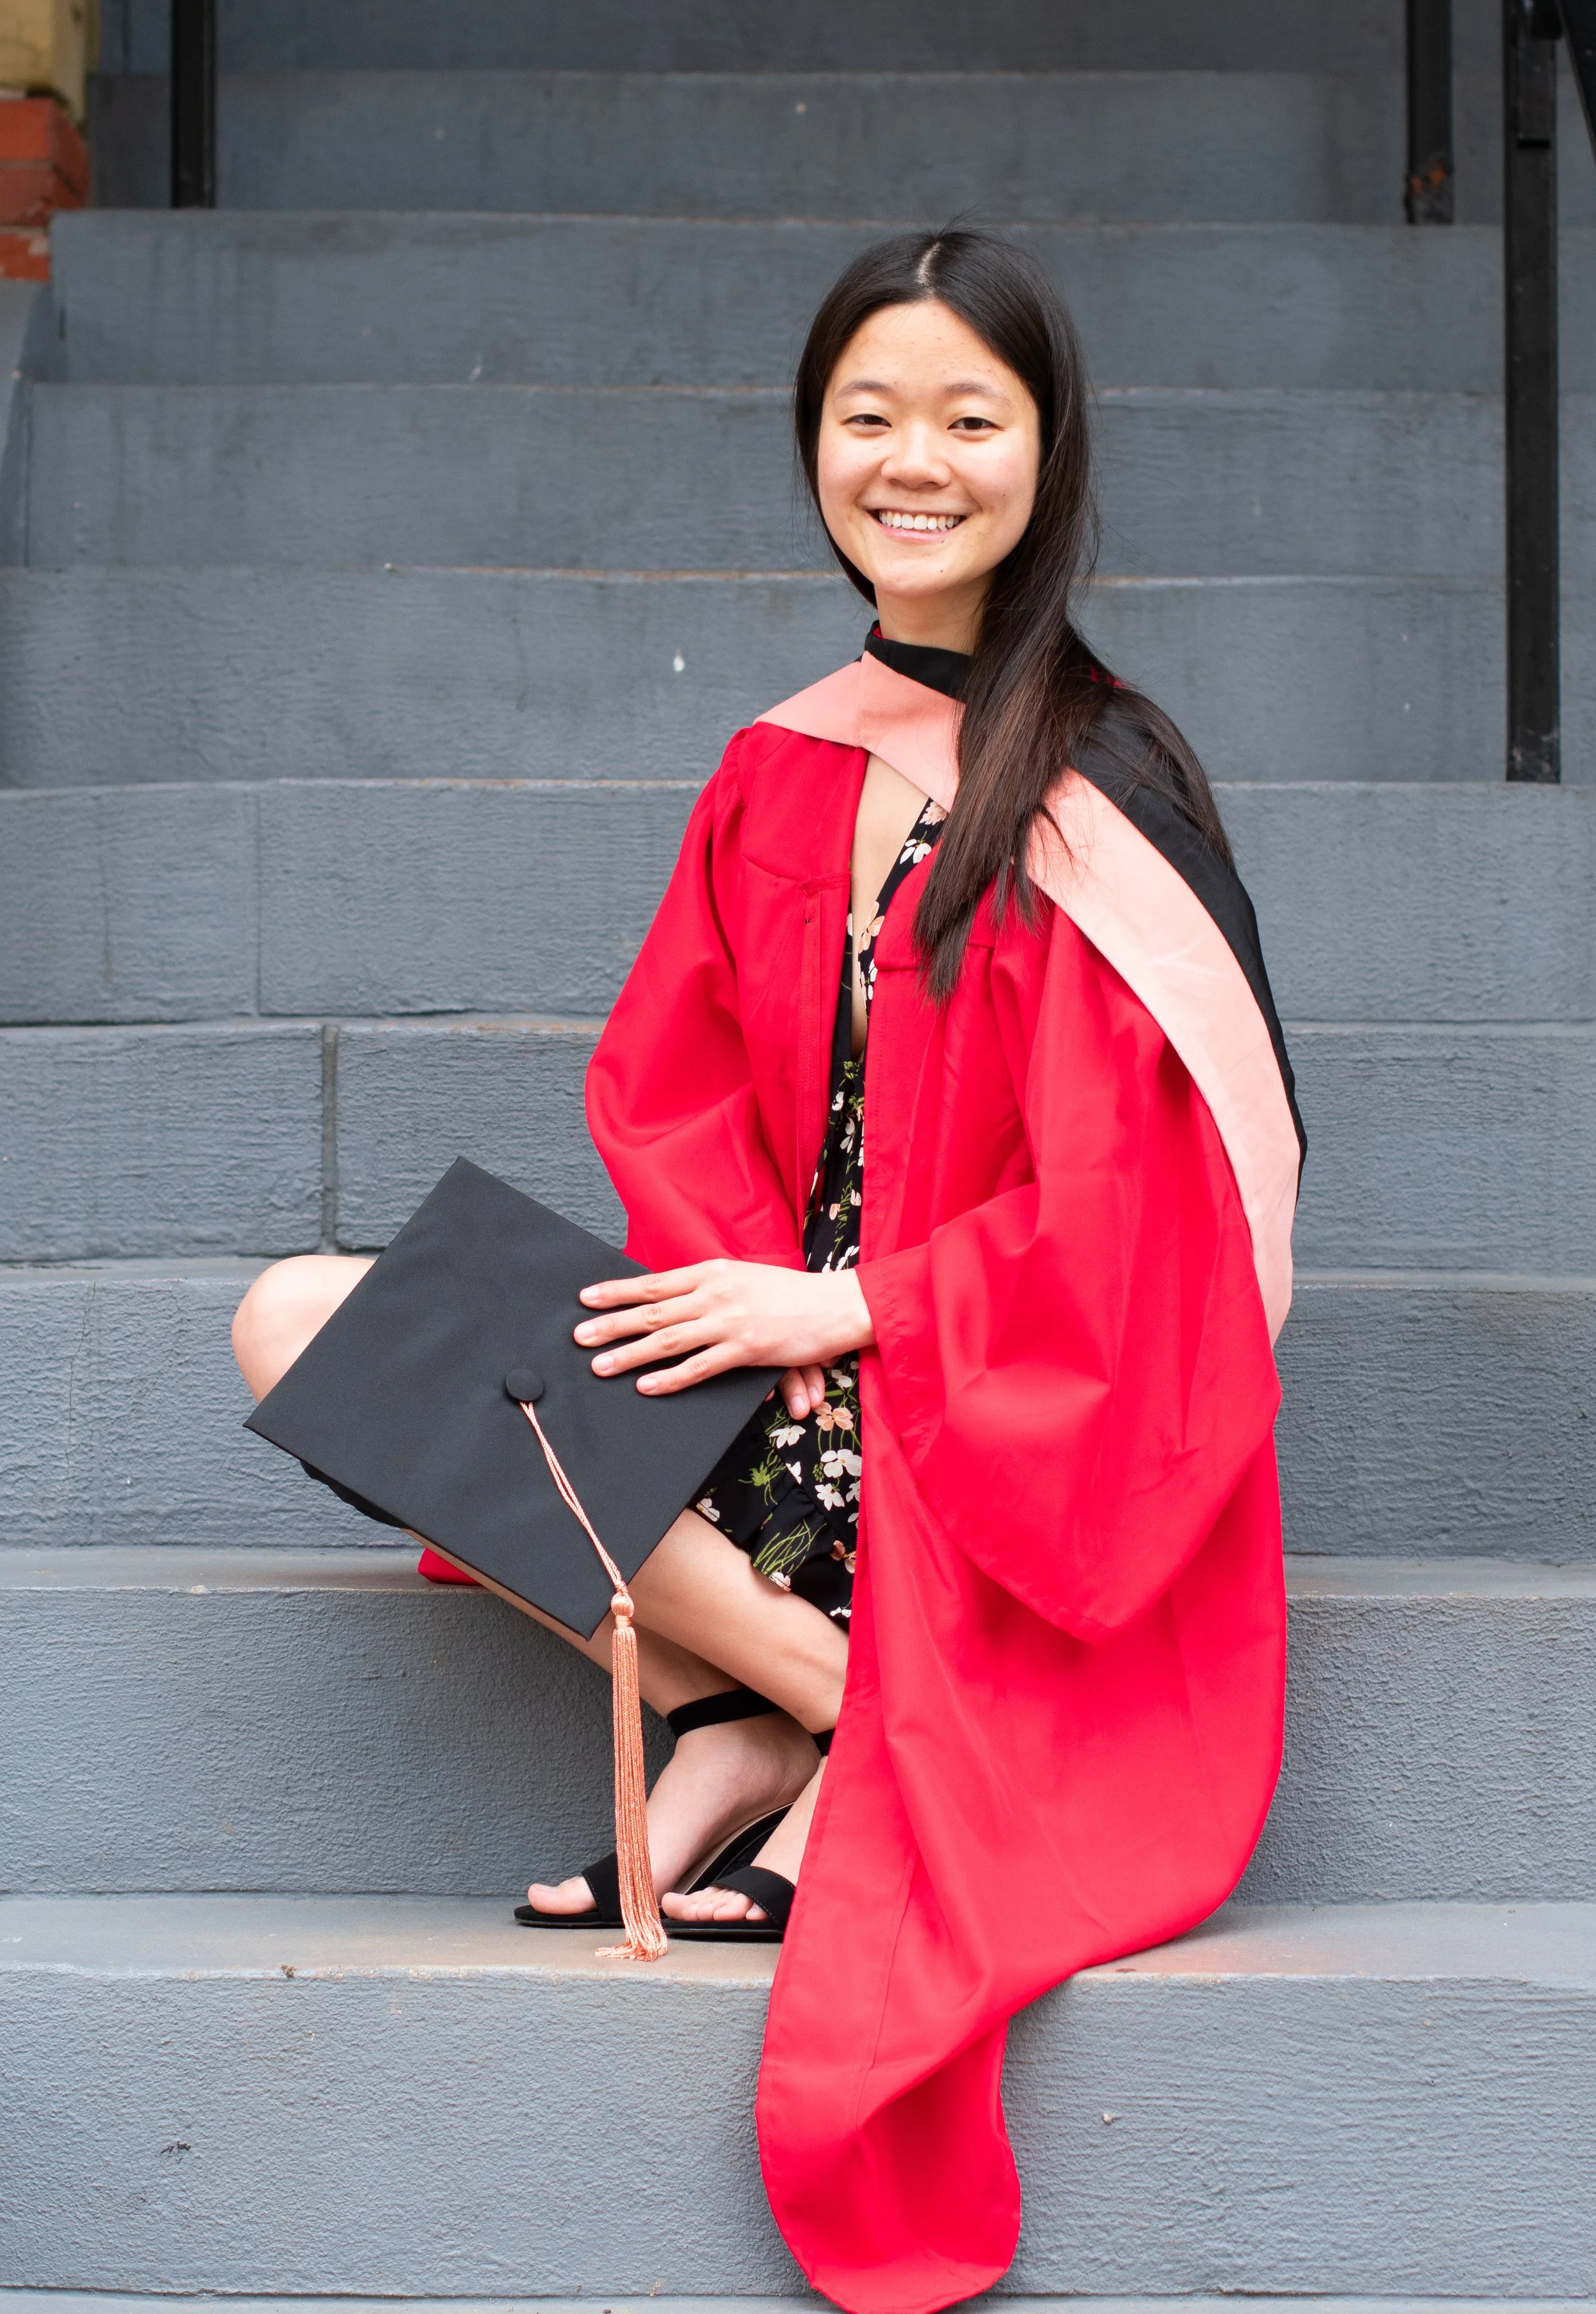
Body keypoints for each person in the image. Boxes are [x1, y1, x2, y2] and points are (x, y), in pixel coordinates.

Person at [231, 227, 1301, 2314]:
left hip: (991, 1407)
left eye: (966, 417)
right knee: (296, 1317)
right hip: (780, 1379)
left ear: (1045, 450)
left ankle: (784, 1718)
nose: (914, 461)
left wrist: (865, 1309)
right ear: (812, 447)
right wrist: (750, 1309)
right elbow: (677, 1102)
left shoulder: (1110, 789)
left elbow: (1138, 1216)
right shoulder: (775, 763)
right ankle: (828, 1707)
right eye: (868, 416)